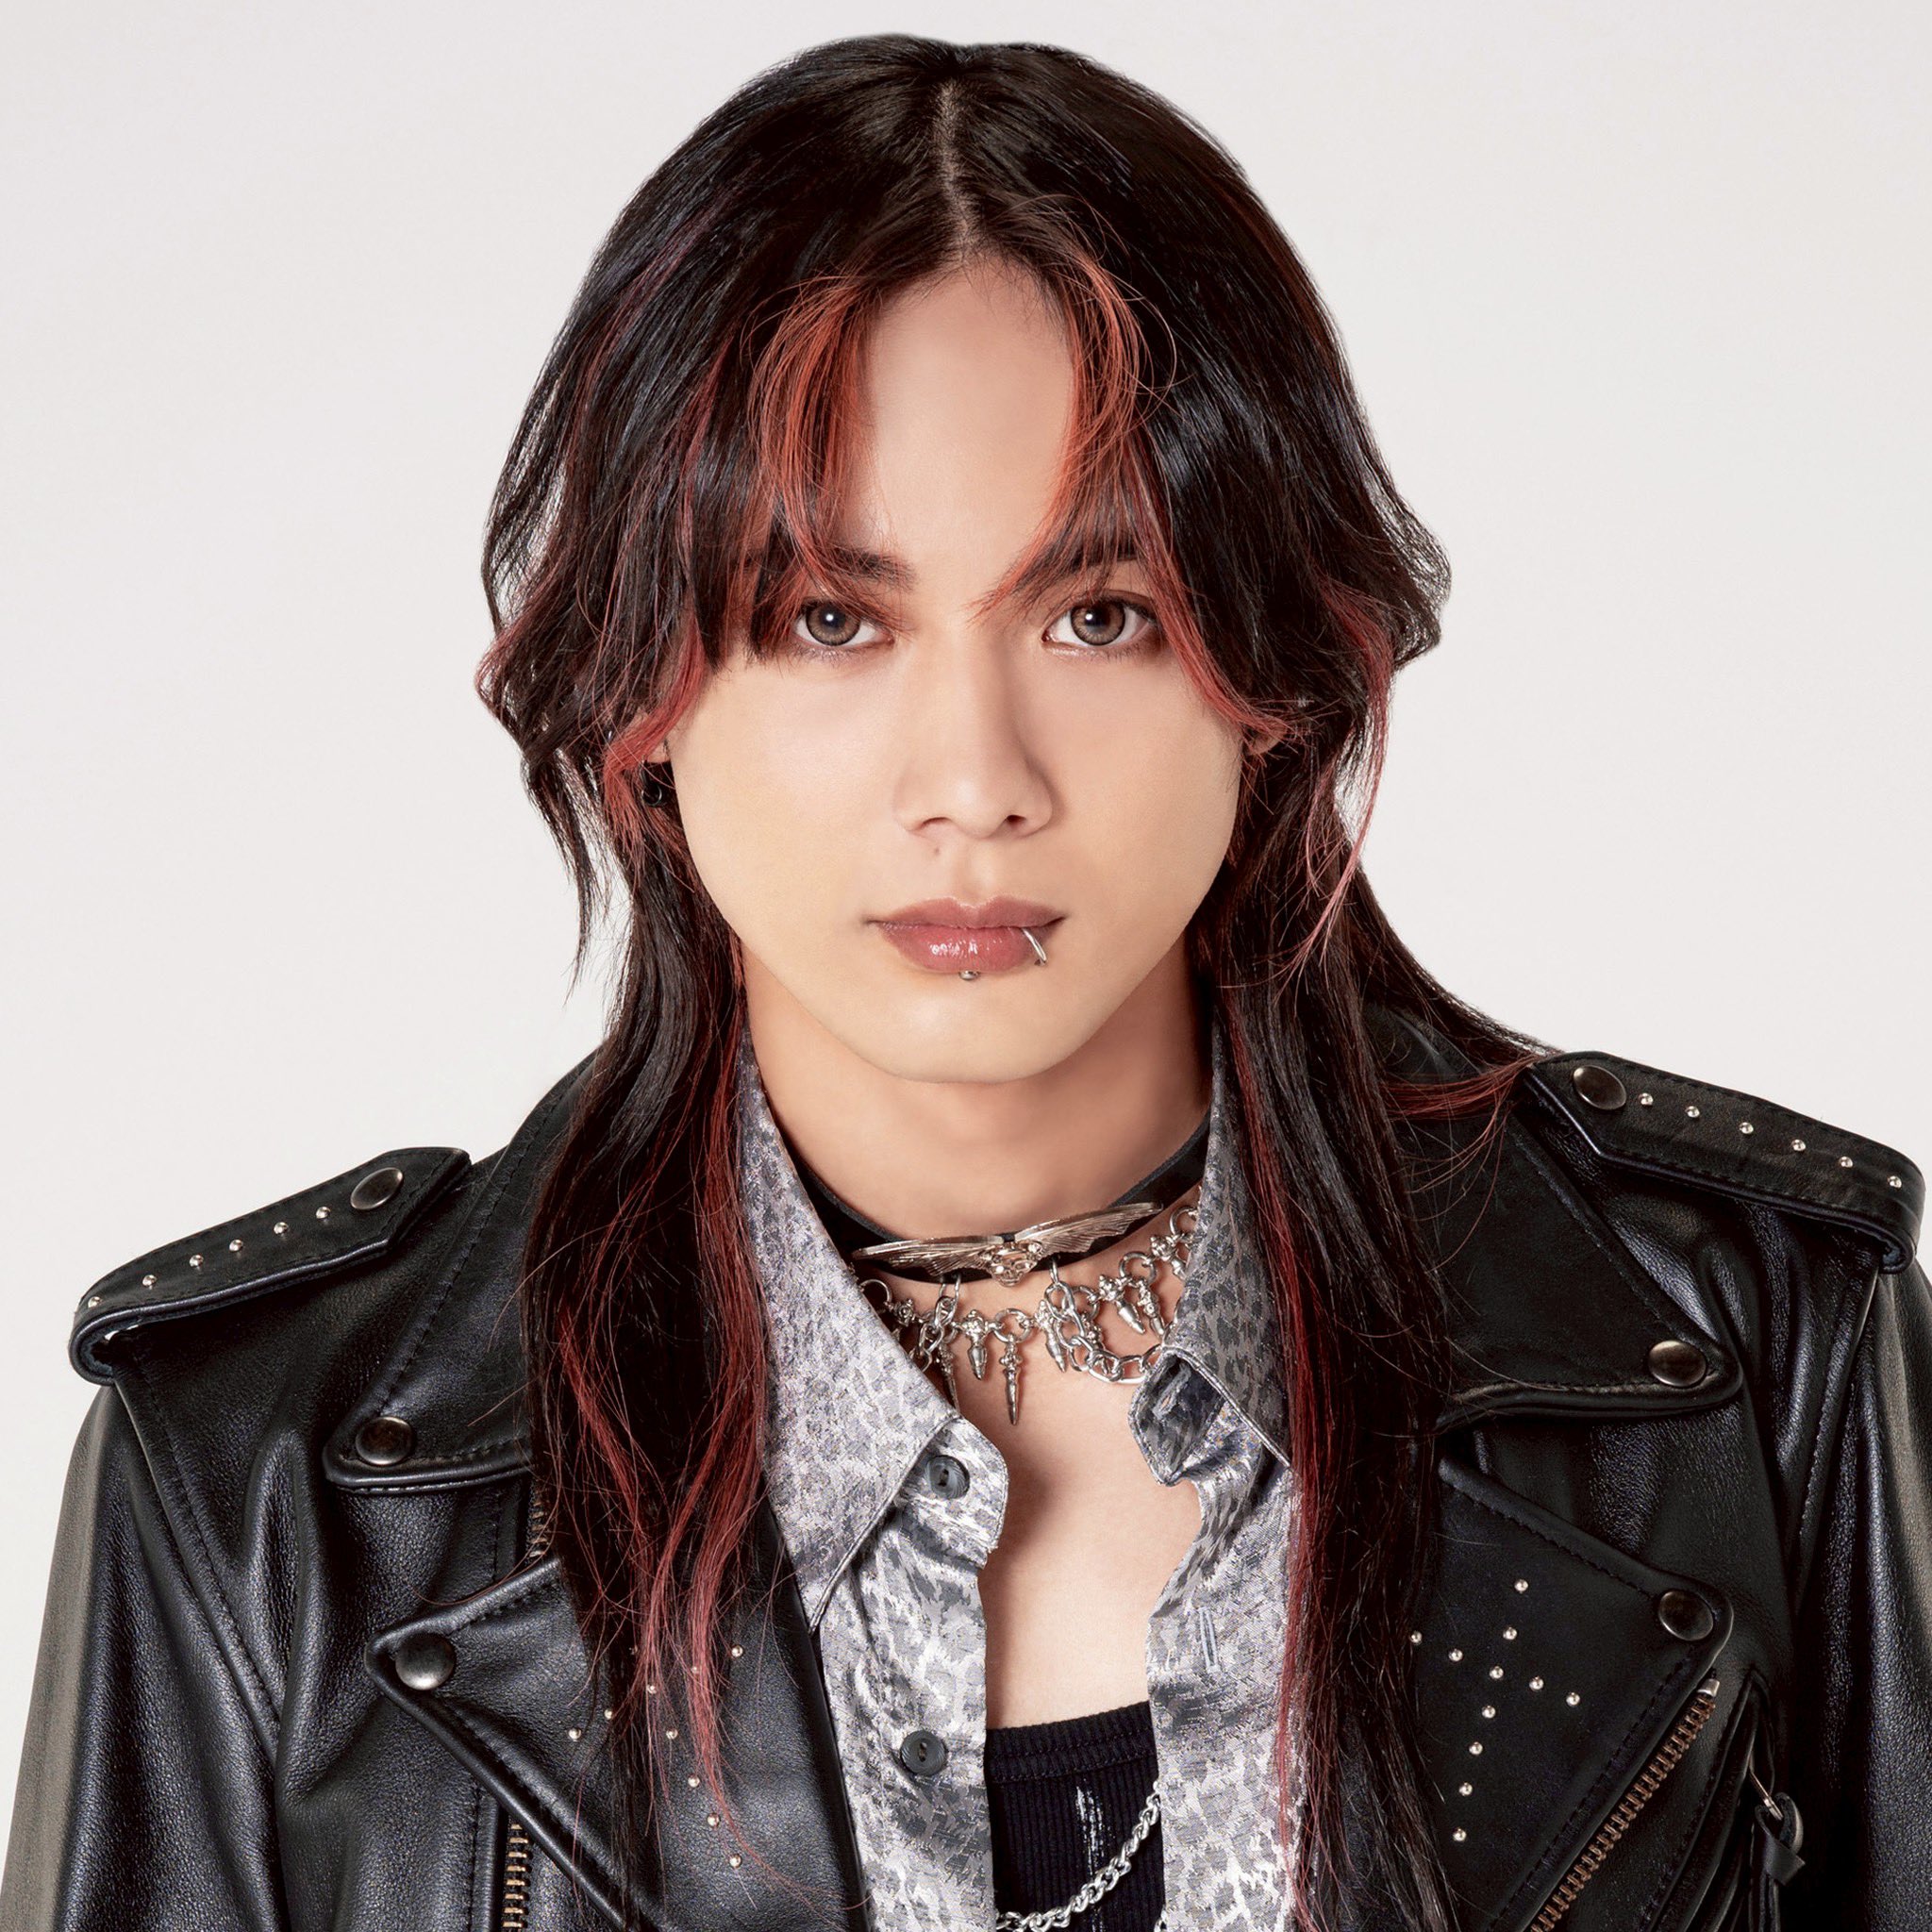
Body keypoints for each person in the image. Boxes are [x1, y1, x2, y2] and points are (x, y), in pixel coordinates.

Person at [3, 32, 1926, 1932]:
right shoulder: (260, 1476)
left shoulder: (1742, 1348)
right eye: (829, 618)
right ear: (638, 691)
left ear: (1272, 678)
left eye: (1102, 614)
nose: (976, 782)